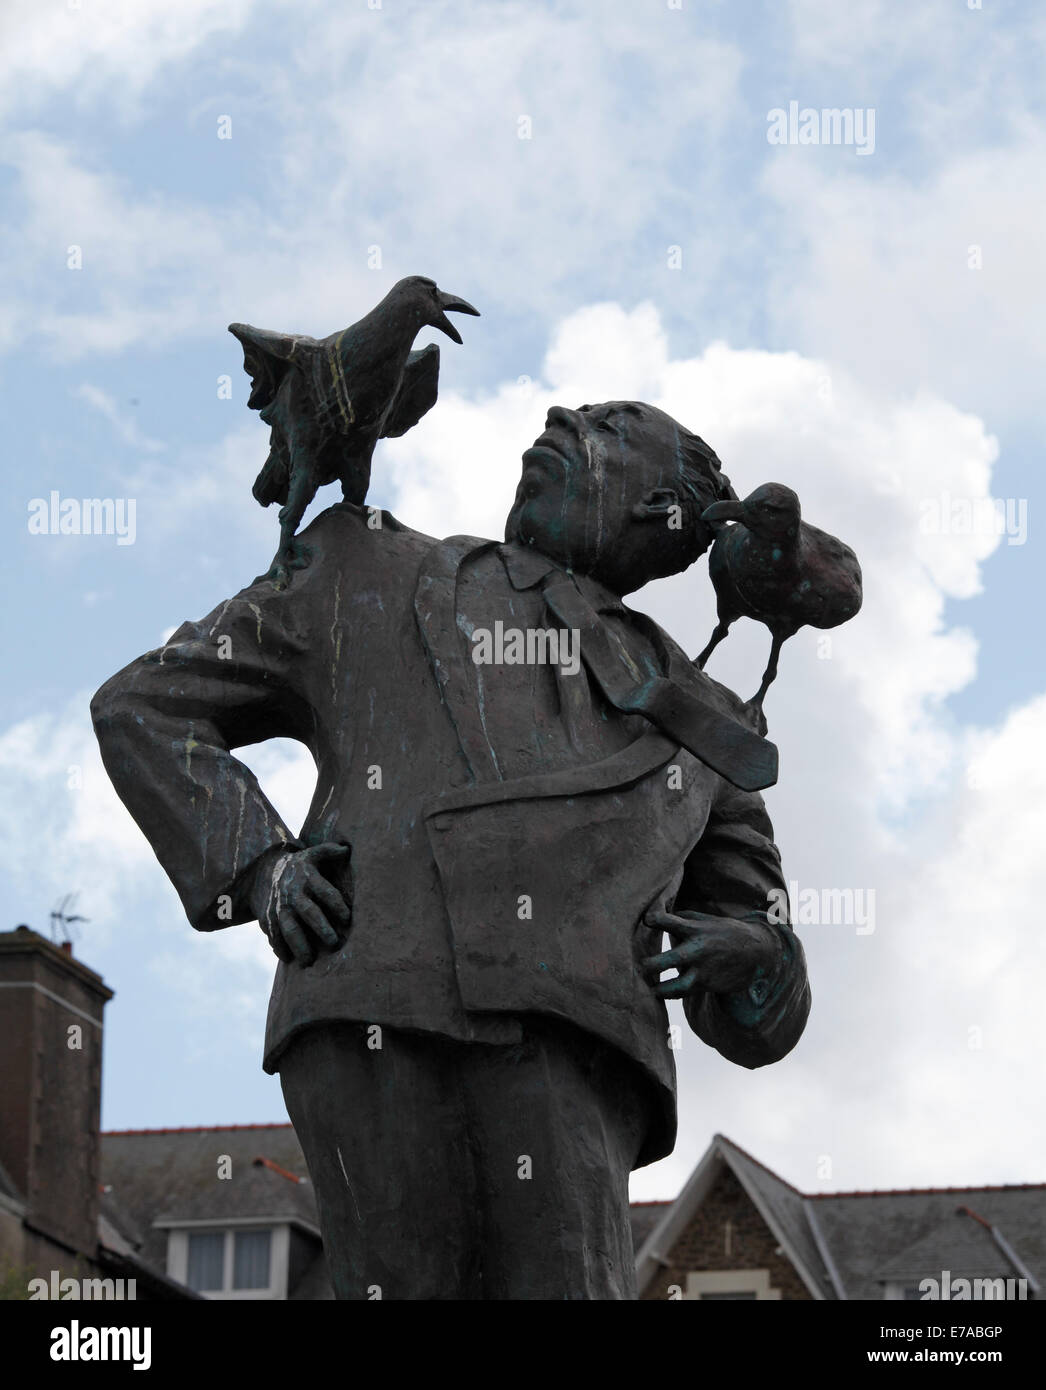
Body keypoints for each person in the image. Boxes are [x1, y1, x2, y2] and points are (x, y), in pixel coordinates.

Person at [92, 400, 810, 1299]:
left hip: (577, 1040)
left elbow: (760, 987)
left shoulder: (716, 728)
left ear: (658, 505)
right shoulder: (365, 566)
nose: (558, 417)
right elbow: (144, 706)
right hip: (377, 994)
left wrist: (757, 956)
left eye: (608, 430)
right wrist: (260, 868)